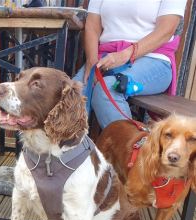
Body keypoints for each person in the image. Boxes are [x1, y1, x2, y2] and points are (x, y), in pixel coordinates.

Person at [73, 0, 187, 129]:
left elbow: (166, 30)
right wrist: (91, 62)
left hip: (154, 59)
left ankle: (129, 147)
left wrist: (125, 55)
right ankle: (74, 147)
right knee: (72, 94)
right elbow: (92, 26)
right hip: (106, 57)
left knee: (109, 90)